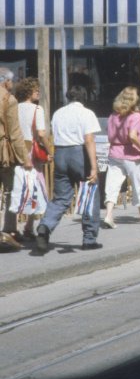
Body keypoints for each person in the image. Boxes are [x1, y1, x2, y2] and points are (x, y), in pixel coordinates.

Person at [36, 86, 102, 251]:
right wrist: (94, 167)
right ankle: (89, 239)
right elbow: (89, 139)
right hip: (79, 153)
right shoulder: (86, 113)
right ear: (84, 97)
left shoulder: (58, 113)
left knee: (61, 197)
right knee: (89, 194)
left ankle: (45, 225)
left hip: (61, 153)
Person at [102, 86, 140, 228]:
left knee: (112, 184)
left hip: (114, 153)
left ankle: (109, 215)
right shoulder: (136, 116)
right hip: (132, 154)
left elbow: (109, 135)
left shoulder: (113, 115)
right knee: (138, 185)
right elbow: (132, 136)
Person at [0, 67, 32, 250]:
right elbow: (14, 133)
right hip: (3, 154)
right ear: (5, 81)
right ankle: (9, 229)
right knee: (10, 190)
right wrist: (25, 158)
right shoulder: (8, 99)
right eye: (11, 81)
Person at [13, 77, 48, 241]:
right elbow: (40, 133)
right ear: (29, 92)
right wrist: (48, 150)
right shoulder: (37, 109)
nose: (38, 92)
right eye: (36, 89)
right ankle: (29, 226)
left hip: (15, 150)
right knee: (36, 188)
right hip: (31, 152)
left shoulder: (14, 108)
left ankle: (13, 227)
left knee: (17, 188)